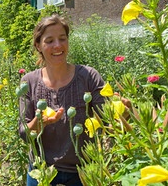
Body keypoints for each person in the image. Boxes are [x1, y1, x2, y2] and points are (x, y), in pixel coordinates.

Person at [18, 14, 129, 186]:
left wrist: (124, 113)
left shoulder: (88, 76)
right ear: (38, 46)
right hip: (42, 172)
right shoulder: (29, 82)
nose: (57, 45)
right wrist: (40, 122)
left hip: (83, 172)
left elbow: (108, 121)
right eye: (49, 41)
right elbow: (24, 133)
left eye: (62, 38)